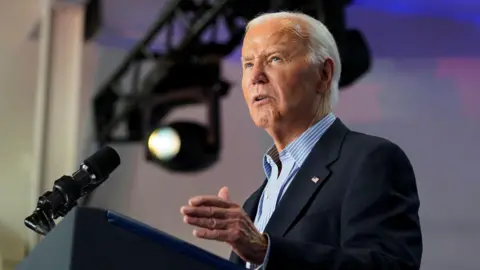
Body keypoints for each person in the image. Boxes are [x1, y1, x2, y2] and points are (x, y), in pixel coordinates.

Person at [180, 11, 422, 270]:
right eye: (248, 64)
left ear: (323, 75)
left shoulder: (369, 160)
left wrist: (265, 250)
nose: (256, 76)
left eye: (274, 59)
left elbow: (390, 267)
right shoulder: (255, 202)